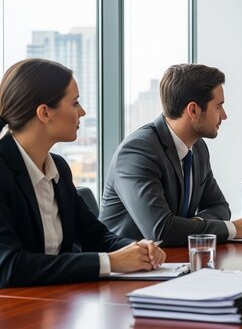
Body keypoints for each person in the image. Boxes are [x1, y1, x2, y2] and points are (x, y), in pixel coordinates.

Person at [0, 59, 165, 288]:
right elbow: (9, 266)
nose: (82, 111)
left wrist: (137, 249)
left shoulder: (58, 168)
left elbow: (94, 235)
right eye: (75, 102)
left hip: (56, 304)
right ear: (45, 113)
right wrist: (109, 262)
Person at [100, 64, 242, 247]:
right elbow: (162, 231)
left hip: (174, 260)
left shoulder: (198, 148)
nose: (224, 116)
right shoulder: (137, 152)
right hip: (128, 268)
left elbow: (219, 207)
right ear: (193, 110)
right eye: (218, 106)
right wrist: (233, 229)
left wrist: (193, 226)